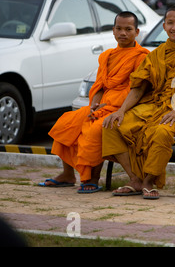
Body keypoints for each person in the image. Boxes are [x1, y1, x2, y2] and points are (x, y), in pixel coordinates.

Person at [102, 6, 175, 200]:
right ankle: (134, 179)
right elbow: (138, 87)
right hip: (154, 106)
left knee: (162, 131)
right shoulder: (156, 54)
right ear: (164, 26)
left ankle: (148, 181)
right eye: (170, 23)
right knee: (111, 126)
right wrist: (121, 111)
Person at [40, 11, 149, 193]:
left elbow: (136, 90)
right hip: (102, 106)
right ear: (113, 31)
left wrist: (114, 107)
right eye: (119, 29)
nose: (123, 33)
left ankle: (93, 178)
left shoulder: (141, 57)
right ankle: (67, 174)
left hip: (123, 108)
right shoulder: (106, 56)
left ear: (136, 32)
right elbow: (99, 86)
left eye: (128, 29)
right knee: (66, 123)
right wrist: (94, 106)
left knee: (93, 131)